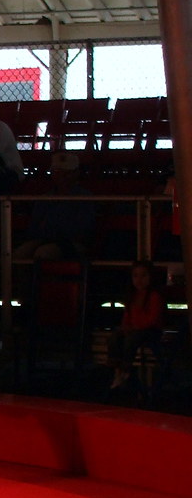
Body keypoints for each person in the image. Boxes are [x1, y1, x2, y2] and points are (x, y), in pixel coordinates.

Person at [14, 149, 96, 261]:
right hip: (45, 240)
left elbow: (84, 230)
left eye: (66, 172)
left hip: (72, 243)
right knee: (19, 254)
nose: (62, 176)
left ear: (76, 173)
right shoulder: (45, 198)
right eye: (58, 171)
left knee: (43, 253)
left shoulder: (84, 198)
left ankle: (46, 278)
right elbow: (35, 226)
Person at [107, 260, 166, 391]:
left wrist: (135, 327)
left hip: (150, 331)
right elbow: (127, 316)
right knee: (115, 337)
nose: (139, 280)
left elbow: (152, 319)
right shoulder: (132, 296)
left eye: (143, 275)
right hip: (134, 329)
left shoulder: (154, 296)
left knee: (131, 340)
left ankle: (126, 370)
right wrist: (125, 326)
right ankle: (117, 369)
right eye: (136, 276)